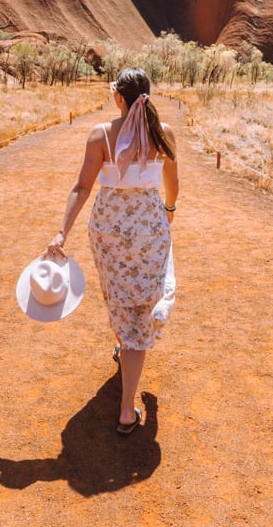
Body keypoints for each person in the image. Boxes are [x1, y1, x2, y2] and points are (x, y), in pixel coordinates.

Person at [46, 67, 178, 435]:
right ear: (147, 97)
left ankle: (126, 345)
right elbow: (173, 184)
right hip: (150, 230)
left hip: (108, 231)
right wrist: (168, 212)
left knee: (120, 300)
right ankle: (125, 410)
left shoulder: (100, 135)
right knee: (140, 309)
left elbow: (81, 187)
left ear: (119, 97)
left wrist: (61, 232)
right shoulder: (163, 134)